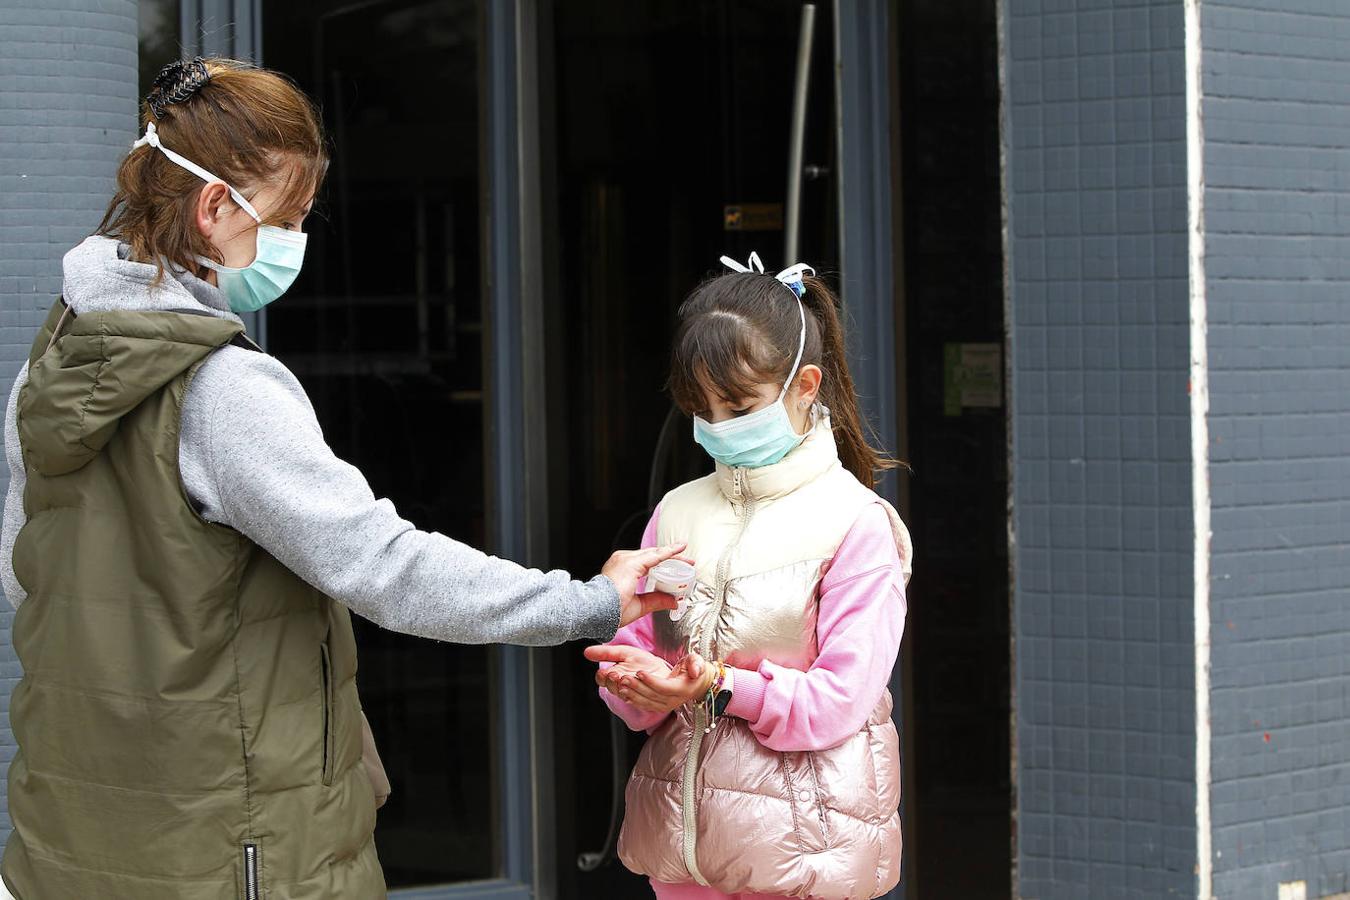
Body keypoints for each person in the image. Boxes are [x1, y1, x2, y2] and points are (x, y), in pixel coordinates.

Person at [0, 58, 683, 900]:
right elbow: (385, 568)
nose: (294, 242)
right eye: (286, 219)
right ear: (215, 208)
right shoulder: (224, 389)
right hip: (232, 852)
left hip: (67, 837)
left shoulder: (54, 360)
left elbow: (24, 577)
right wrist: (589, 602)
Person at [586, 253, 914, 900]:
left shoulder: (856, 523)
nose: (718, 427)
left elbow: (839, 701)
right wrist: (632, 685)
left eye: (740, 406)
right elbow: (642, 656)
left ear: (806, 385)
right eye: (701, 409)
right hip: (685, 859)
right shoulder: (677, 511)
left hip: (809, 862)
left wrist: (717, 687)